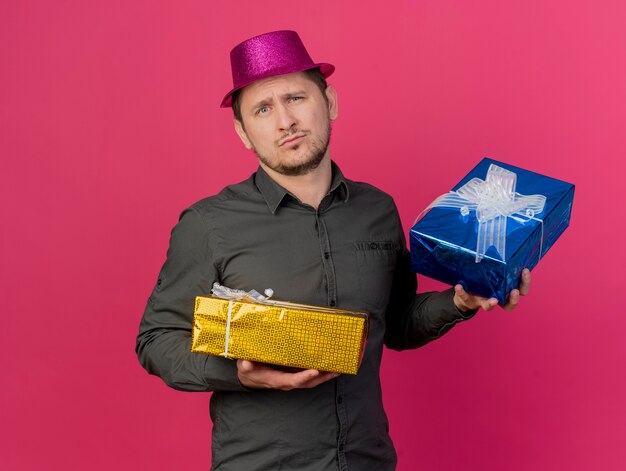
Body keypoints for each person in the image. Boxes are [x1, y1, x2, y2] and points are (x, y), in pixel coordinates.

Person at [136, 30, 530, 471]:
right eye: (263, 110)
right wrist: (239, 373)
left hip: (368, 459)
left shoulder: (377, 210)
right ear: (244, 133)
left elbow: (395, 324)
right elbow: (155, 340)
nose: (285, 121)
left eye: (296, 98)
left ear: (330, 102)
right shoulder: (208, 224)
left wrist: (458, 302)